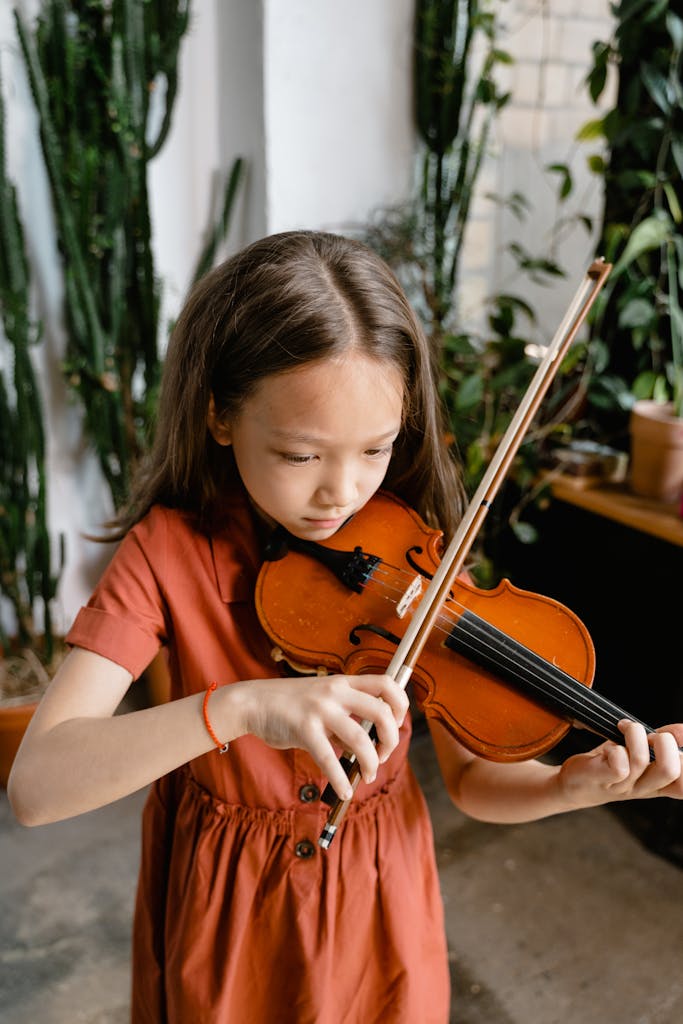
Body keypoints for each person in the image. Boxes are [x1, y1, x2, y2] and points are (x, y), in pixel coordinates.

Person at [8, 230, 683, 1024]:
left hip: (378, 901)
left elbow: (471, 783)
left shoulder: (409, 549)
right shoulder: (167, 553)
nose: (344, 492)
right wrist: (240, 708)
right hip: (230, 919)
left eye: (375, 449)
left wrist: (569, 786)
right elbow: (38, 788)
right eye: (300, 456)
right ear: (220, 417)